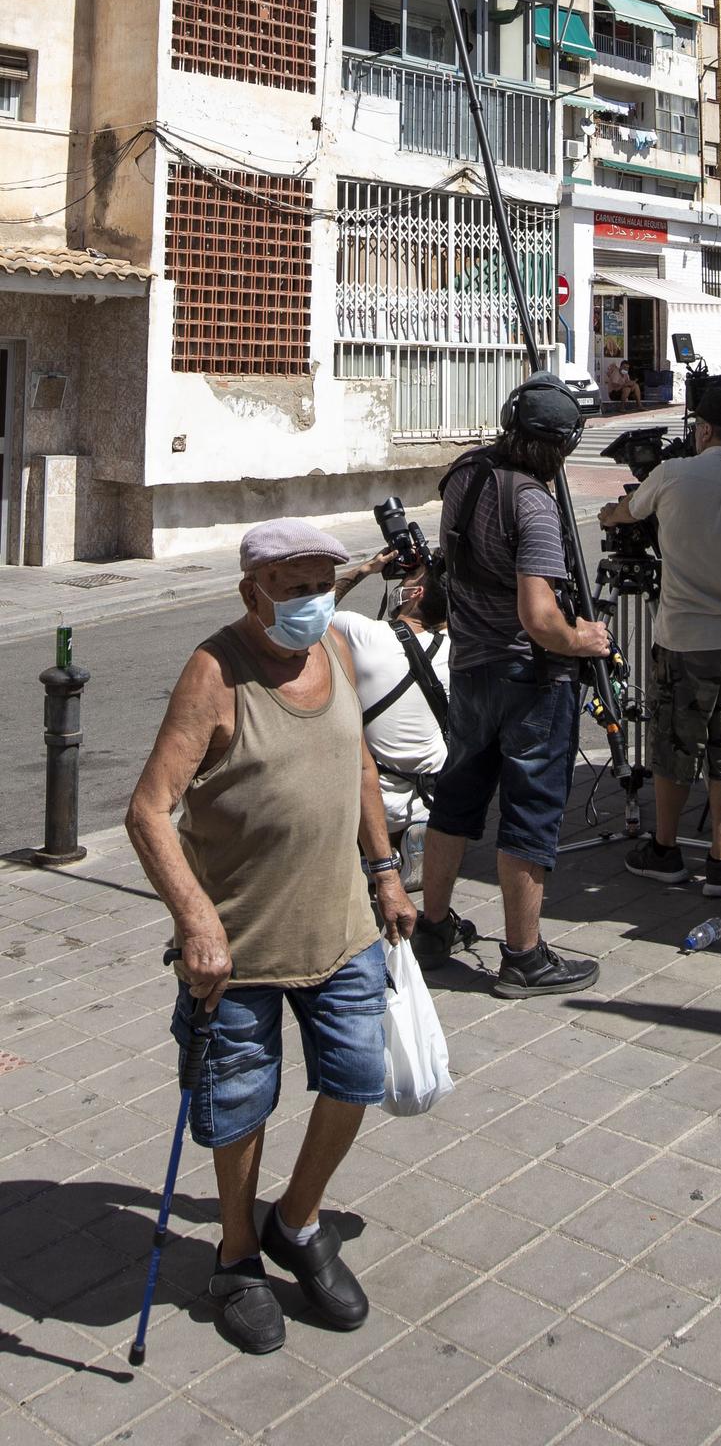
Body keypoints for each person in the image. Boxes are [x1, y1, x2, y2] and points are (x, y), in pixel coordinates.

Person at [124, 519, 416, 1356]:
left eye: (321, 584)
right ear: (251, 592)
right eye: (292, 588)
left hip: (344, 929)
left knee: (356, 1080)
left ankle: (296, 1219)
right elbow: (148, 810)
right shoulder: (214, 673)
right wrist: (196, 920)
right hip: (241, 950)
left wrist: (386, 871)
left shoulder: (335, 649)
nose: (311, 601)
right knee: (239, 1107)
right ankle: (237, 1254)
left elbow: (358, 762)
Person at [414, 372, 611, 997]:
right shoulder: (532, 501)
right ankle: (524, 956)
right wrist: (585, 639)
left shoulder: (465, 474)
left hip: (471, 668)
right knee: (530, 811)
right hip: (529, 676)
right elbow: (539, 616)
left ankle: (434, 926)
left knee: (457, 798)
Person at [600, 382, 721, 895]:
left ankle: (665, 849)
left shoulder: (673, 475)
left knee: (674, 743)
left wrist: (610, 515)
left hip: (686, 637)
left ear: (704, 430)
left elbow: (629, 512)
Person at [333, 549, 451, 885]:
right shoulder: (455, 649)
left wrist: (365, 570)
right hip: (433, 797)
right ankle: (417, 840)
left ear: (414, 594)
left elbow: (312, 610)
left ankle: (374, 855)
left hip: (374, 805)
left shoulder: (365, 635)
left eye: (409, 578)